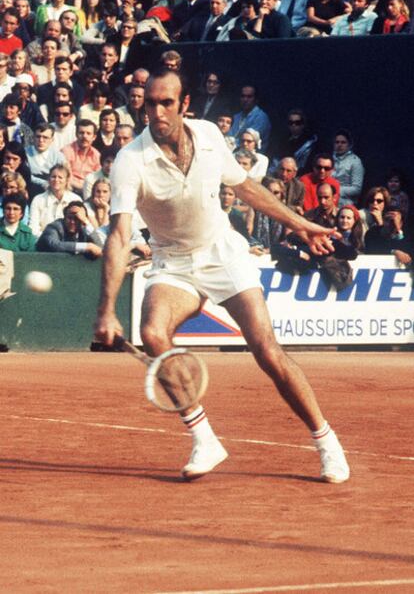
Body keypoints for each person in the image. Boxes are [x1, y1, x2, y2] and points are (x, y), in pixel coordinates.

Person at [94, 68, 350, 484]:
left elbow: (246, 187)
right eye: (149, 103)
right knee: (153, 332)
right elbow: (120, 233)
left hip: (222, 252)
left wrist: (298, 224)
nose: (156, 112)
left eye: (166, 103)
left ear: (185, 106)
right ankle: (204, 438)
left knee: (267, 351)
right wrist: (106, 309)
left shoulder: (210, 135)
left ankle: (325, 441)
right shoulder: (129, 160)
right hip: (172, 262)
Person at [36, 199, 104, 256]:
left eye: (77, 219)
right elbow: (55, 245)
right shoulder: (54, 227)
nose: (72, 222)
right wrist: (87, 246)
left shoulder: (85, 229)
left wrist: (87, 223)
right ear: (64, 217)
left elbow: (100, 248)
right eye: (69, 218)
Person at [28, 163, 79, 236]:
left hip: (68, 243)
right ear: (48, 179)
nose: (56, 180)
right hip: (43, 241)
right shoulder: (38, 199)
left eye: (60, 177)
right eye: (53, 177)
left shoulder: (75, 199)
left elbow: (78, 228)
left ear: (67, 180)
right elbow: (33, 228)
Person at [61, 118, 101, 194]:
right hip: (69, 189)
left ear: (94, 137)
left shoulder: (97, 155)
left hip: (89, 191)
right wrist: (84, 188)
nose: (84, 136)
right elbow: (66, 176)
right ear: (76, 134)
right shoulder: (66, 151)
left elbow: (97, 178)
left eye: (88, 133)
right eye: (81, 133)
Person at [26, 122, 66, 197]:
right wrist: (43, 182)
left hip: (52, 190)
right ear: (33, 137)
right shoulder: (25, 153)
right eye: (38, 136)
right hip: (28, 189)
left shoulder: (58, 156)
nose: (41, 140)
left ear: (52, 140)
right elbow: (24, 175)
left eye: (45, 137)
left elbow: (63, 176)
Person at [229, 84, 271, 152]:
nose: (245, 99)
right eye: (243, 96)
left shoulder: (261, 118)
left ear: (256, 99)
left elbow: (247, 140)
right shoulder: (236, 117)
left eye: (249, 97)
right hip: (233, 154)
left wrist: (228, 144)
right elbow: (229, 136)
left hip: (253, 157)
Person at [332, 129, 364, 207]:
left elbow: (357, 189)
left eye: (343, 142)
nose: (339, 145)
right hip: (328, 199)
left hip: (346, 203)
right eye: (337, 142)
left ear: (349, 145)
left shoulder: (355, 161)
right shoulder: (329, 159)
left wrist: (335, 190)